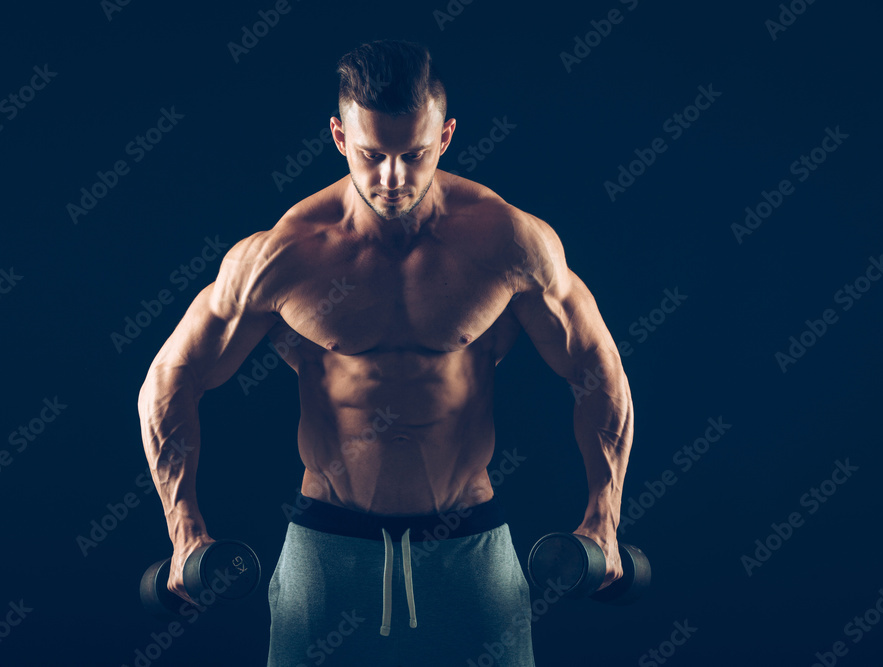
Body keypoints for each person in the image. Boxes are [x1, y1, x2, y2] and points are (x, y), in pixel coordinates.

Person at [138, 39, 634, 666]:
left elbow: (598, 367)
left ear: (446, 136)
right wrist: (185, 533)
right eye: (372, 155)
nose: (393, 178)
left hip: (470, 548)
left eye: (414, 155)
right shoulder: (285, 255)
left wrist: (603, 518)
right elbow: (170, 379)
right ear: (340, 137)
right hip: (327, 551)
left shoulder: (506, 241)